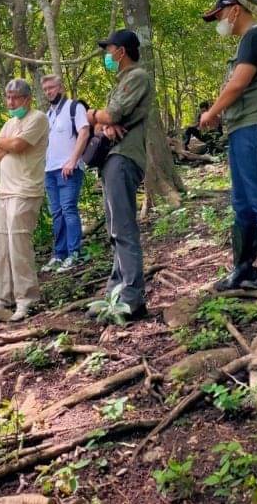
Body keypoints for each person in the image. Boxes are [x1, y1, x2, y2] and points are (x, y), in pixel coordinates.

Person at [199, 0, 257, 290]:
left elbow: (238, 83)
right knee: (242, 202)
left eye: (219, 16)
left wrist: (212, 112)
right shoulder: (246, 42)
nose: (219, 23)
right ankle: (244, 268)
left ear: (235, 11)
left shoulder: (256, 36)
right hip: (243, 127)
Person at [85, 30, 154, 319]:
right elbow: (107, 122)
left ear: (122, 51)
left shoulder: (137, 77)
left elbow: (110, 115)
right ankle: (115, 291)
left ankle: (132, 297)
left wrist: (94, 115)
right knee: (115, 228)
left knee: (123, 228)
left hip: (124, 157)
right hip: (113, 157)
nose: (107, 55)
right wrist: (103, 123)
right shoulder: (123, 81)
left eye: (109, 49)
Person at [0, 78, 49, 322]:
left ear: (27, 99)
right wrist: (7, 144)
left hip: (25, 191)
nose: (11, 101)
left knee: (19, 247)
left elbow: (17, 144)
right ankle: (4, 300)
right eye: (8, 96)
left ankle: (26, 299)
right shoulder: (10, 123)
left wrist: (6, 144)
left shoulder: (38, 118)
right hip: (4, 192)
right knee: (1, 249)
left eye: (15, 97)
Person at [40, 74, 91, 273]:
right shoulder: (48, 115)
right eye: (45, 90)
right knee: (57, 213)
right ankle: (59, 254)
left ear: (60, 88)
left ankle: (74, 253)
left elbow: (84, 132)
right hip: (50, 170)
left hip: (69, 168)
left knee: (69, 208)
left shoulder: (73, 107)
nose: (49, 92)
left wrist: (72, 160)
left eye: (51, 88)